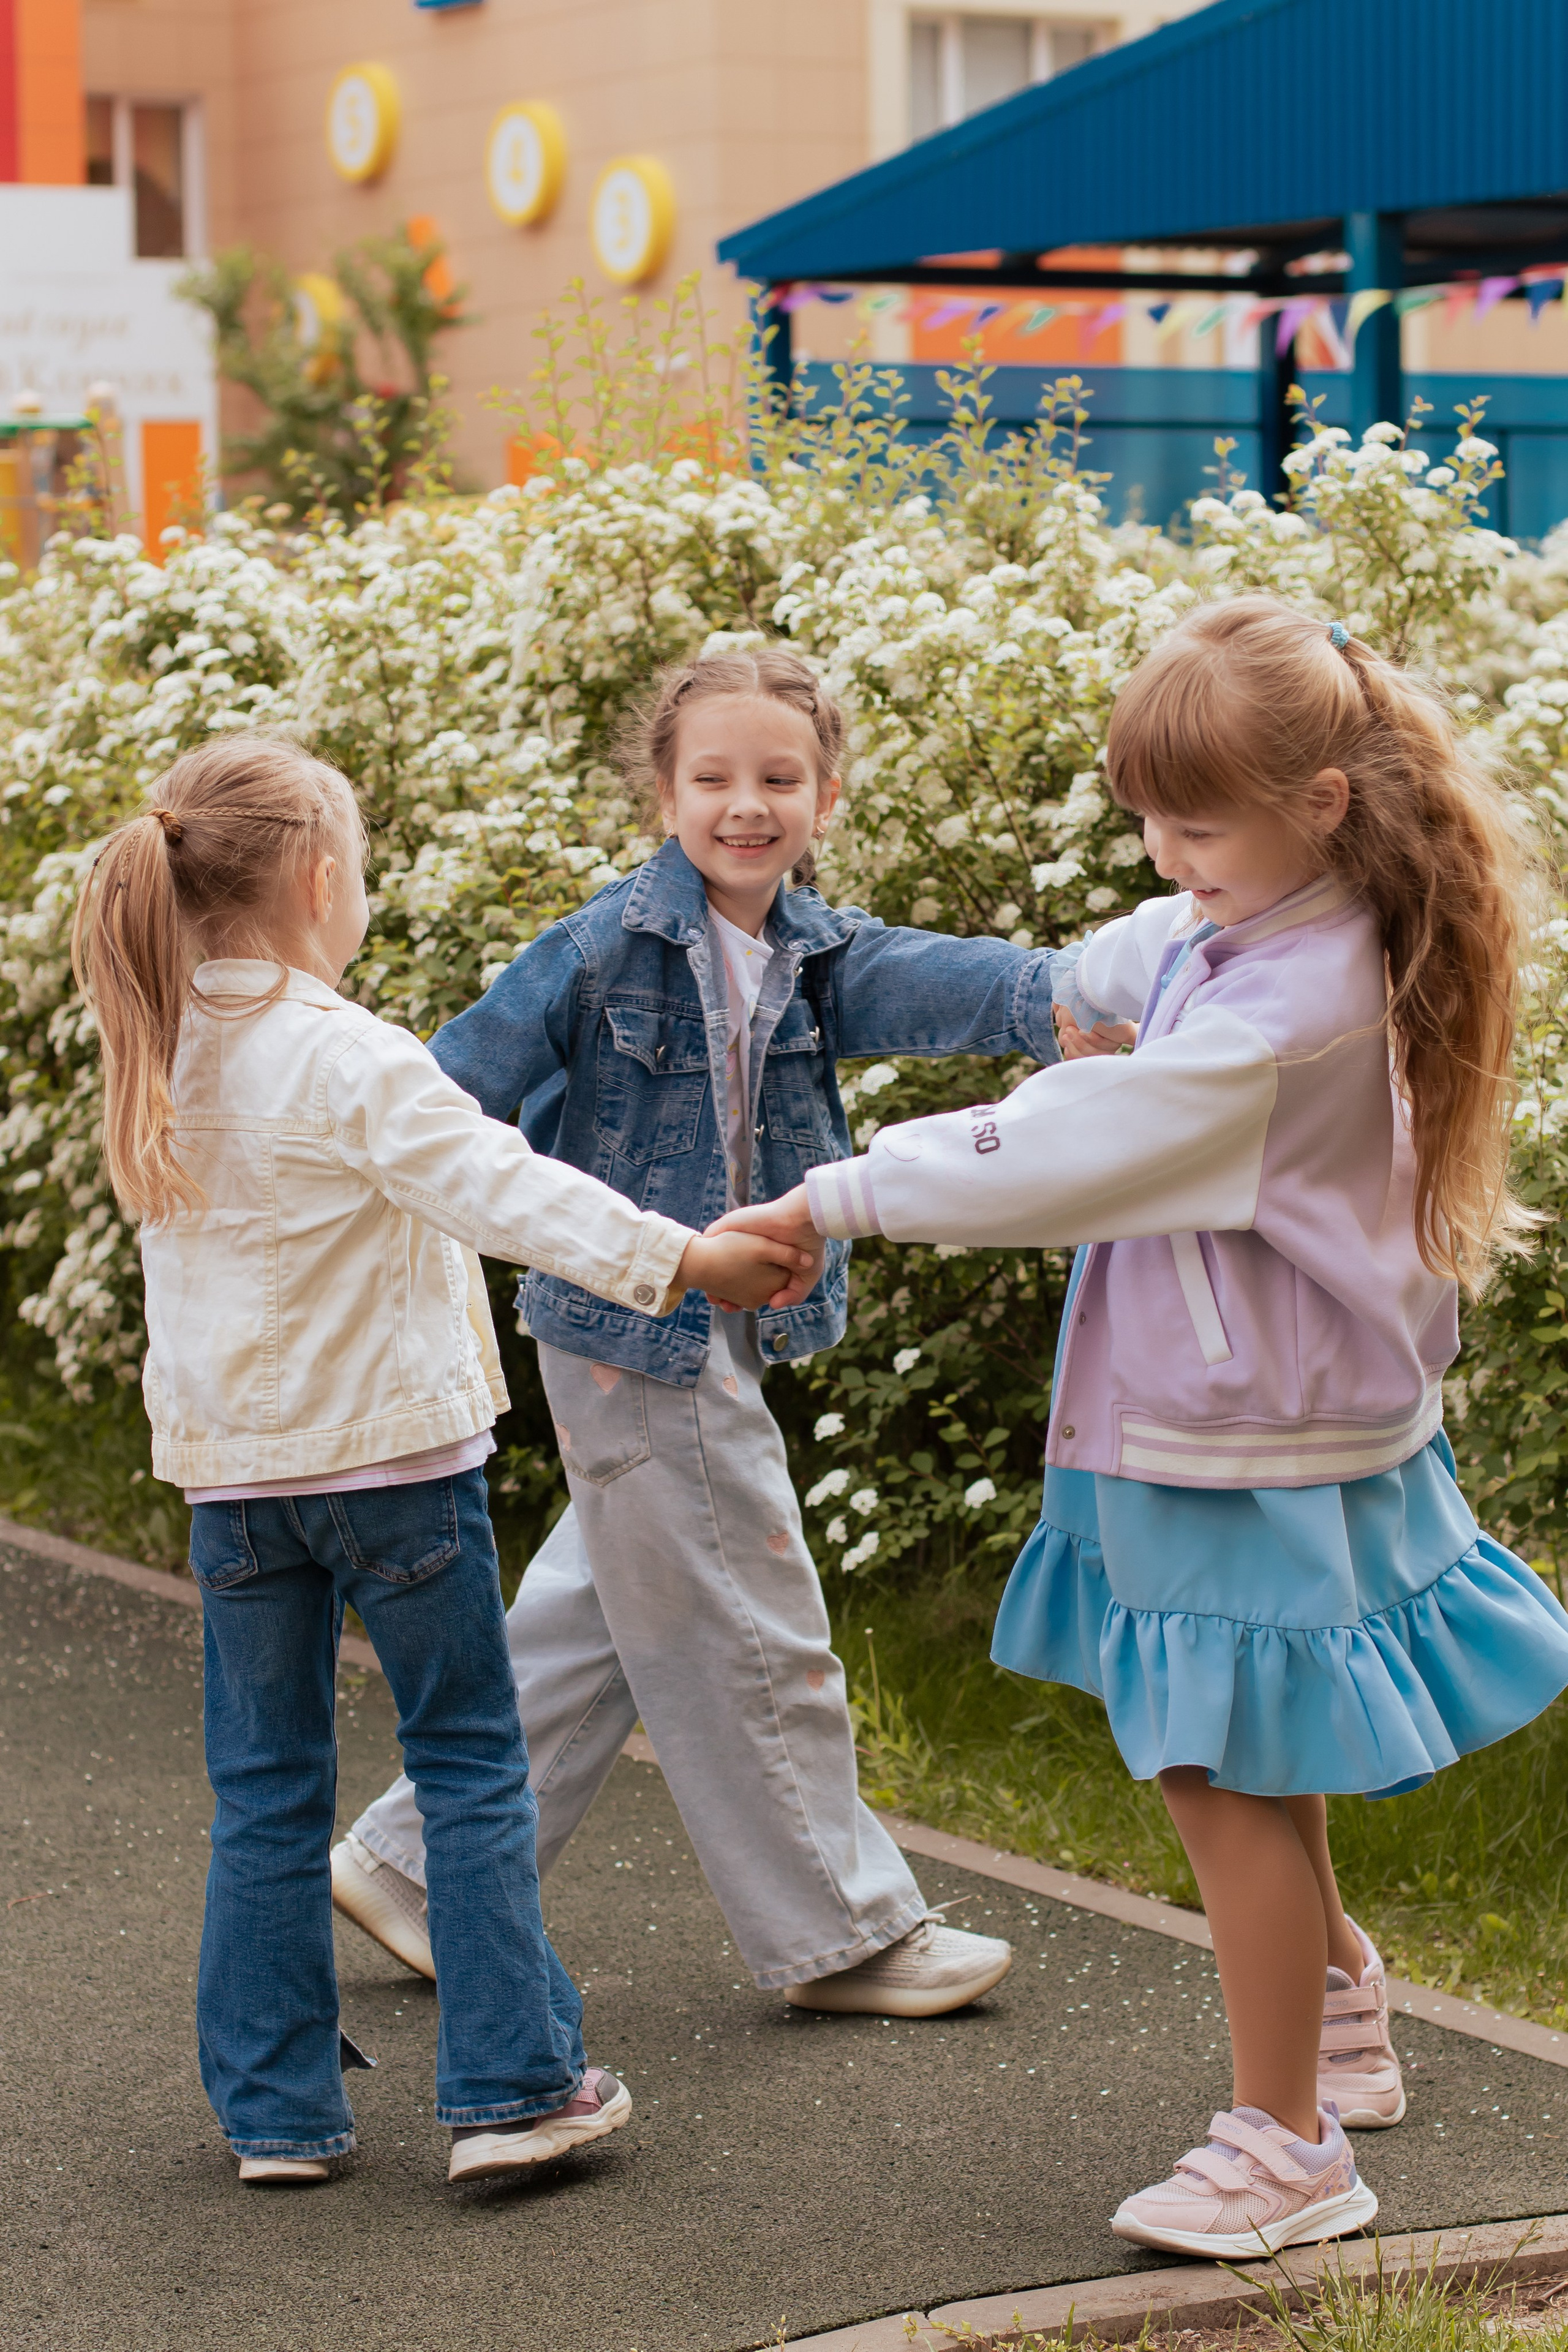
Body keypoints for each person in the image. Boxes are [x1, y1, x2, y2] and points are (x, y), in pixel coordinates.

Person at [714, 597, 1568, 2255]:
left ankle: (1292, 2149)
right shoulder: (1270, 923)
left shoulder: (1278, 1013)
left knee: (1218, 1765)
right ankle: (1328, 2026)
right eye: (1150, 822)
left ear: (1320, 802)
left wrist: (835, 1195)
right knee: (1255, 1747)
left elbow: (1066, 1142)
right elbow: (1127, 962)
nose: (1169, 855)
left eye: (1198, 823)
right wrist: (1030, 983)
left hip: (1235, 1433)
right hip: (1270, 1415)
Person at [70, 736, 817, 2190]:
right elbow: (501, 1186)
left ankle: (278, 2118)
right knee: (471, 1765)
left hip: (234, 1490)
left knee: (265, 1792)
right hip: (395, 1474)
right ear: (318, 880)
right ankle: (513, 2091)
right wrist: (686, 1257)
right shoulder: (346, 1050)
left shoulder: (159, 1044)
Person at [334, 646, 1115, 2015]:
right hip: (629, 1332)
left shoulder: (812, 956)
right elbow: (445, 1099)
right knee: (748, 1616)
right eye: (713, 778)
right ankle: (842, 1931)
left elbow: (949, 981)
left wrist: (1068, 1001)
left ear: (823, 794)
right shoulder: (599, 949)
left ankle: (411, 1869)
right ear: (662, 793)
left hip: (717, 1334)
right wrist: (551, 1207)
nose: (744, 805)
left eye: (777, 778)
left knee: (606, 1614)